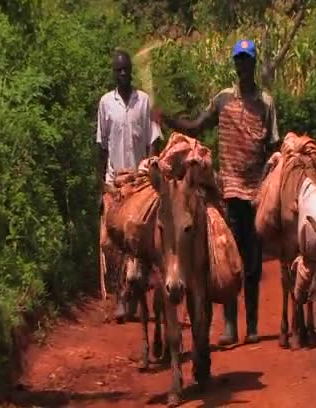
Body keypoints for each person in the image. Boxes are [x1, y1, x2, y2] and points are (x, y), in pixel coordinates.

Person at [153, 39, 280, 345]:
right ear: (235, 65)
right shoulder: (223, 100)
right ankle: (229, 327)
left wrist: (271, 178)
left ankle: (251, 326)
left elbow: (273, 145)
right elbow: (197, 125)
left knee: (253, 261)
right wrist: (169, 119)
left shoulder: (266, 102)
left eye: (247, 61)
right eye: (239, 61)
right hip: (230, 189)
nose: (243, 66)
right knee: (228, 257)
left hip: (257, 190)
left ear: (253, 63)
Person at [95, 49, 163, 323]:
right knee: (111, 242)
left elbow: (154, 139)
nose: (123, 74)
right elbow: (101, 145)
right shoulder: (105, 103)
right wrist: (101, 186)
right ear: (114, 73)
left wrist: (152, 173)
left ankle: (131, 295)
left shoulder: (143, 102)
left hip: (139, 181)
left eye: (126, 70)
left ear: (131, 72)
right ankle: (122, 293)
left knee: (138, 239)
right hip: (115, 183)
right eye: (118, 70)